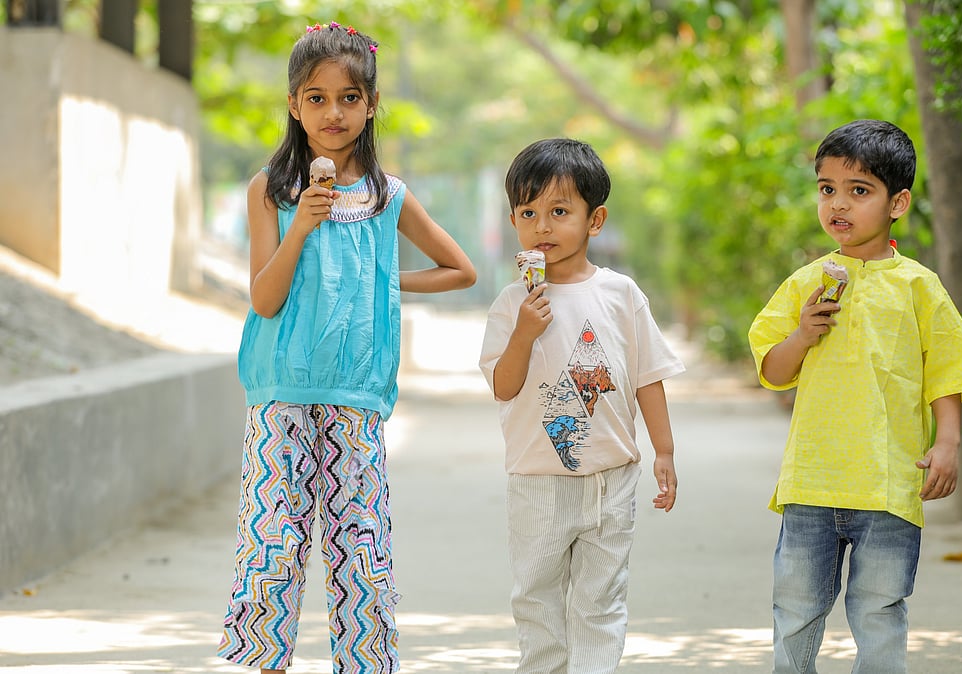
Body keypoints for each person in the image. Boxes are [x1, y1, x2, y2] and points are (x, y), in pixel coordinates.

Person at [217, 22, 476, 674]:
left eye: (350, 97)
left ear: (372, 104)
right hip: (281, 396)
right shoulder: (270, 192)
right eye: (317, 97)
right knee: (270, 551)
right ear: (293, 104)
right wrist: (301, 223)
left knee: (362, 555)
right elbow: (265, 298)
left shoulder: (390, 199)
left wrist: (385, 281)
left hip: (357, 397)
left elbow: (461, 269)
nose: (334, 113)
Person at [747, 119, 962, 673]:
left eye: (859, 191)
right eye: (827, 188)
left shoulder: (918, 285)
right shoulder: (805, 282)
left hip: (889, 481)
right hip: (812, 480)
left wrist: (948, 443)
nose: (838, 203)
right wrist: (802, 333)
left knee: (880, 609)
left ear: (898, 202)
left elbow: (948, 369)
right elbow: (772, 367)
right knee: (795, 607)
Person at [478, 138, 685, 673]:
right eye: (529, 212)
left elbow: (648, 376)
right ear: (512, 220)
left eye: (560, 211)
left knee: (600, 603)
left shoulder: (621, 295)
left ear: (595, 221)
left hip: (611, 481)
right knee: (538, 600)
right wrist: (524, 330)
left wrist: (662, 451)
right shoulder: (510, 303)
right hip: (538, 481)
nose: (542, 226)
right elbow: (504, 385)